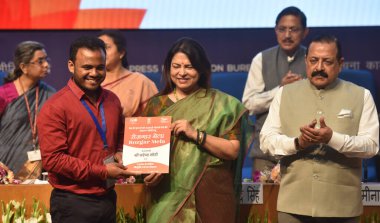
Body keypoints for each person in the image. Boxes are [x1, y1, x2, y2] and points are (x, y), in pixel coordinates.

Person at [260, 34, 379, 223]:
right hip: (293, 205)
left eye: (327, 62)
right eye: (314, 61)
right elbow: (266, 140)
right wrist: (297, 143)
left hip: (342, 206)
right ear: (306, 61)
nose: (319, 68)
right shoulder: (284, 94)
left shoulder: (362, 96)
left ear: (340, 64)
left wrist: (332, 138)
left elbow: (371, 146)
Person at [142, 37, 253, 223]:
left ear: (201, 69)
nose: (182, 73)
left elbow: (233, 150)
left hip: (211, 196)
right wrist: (148, 174)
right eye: (176, 66)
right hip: (167, 197)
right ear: (168, 68)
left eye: (189, 67)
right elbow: (145, 155)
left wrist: (196, 134)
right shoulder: (156, 106)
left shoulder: (223, 105)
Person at [37, 36, 134, 223]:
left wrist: (121, 151)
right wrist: (103, 171)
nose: (94, 73)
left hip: (108, 198)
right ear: (71, 66)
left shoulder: (112, 100)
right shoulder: (55, 106)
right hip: (72, 204)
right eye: (87, 67)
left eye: (100, 67)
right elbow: (53, 160)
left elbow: (120, 135)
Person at [242, 6, 309, 173]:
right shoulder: (261, 59)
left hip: (304, 151)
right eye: (282, 29)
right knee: (265, 199)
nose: (287, 35)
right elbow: (248, 105)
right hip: (266, 153)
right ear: (275, 30)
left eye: (293, 29)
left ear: (305, 32)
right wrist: (280, 89)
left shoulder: (314, 60)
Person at [0, 41, 55, 179]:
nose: (46, 65)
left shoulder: (50, 95)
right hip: (4, 167)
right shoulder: (4, 94)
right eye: (40, 61)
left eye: (46, 60)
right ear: (23, 67)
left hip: (36, 170)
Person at [98, 30, 158, 117]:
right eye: (97, 49)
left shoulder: (140, 82)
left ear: (121, 53)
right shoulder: (89, 84)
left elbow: (157, 121)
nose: (101, 53)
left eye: (106, 47)